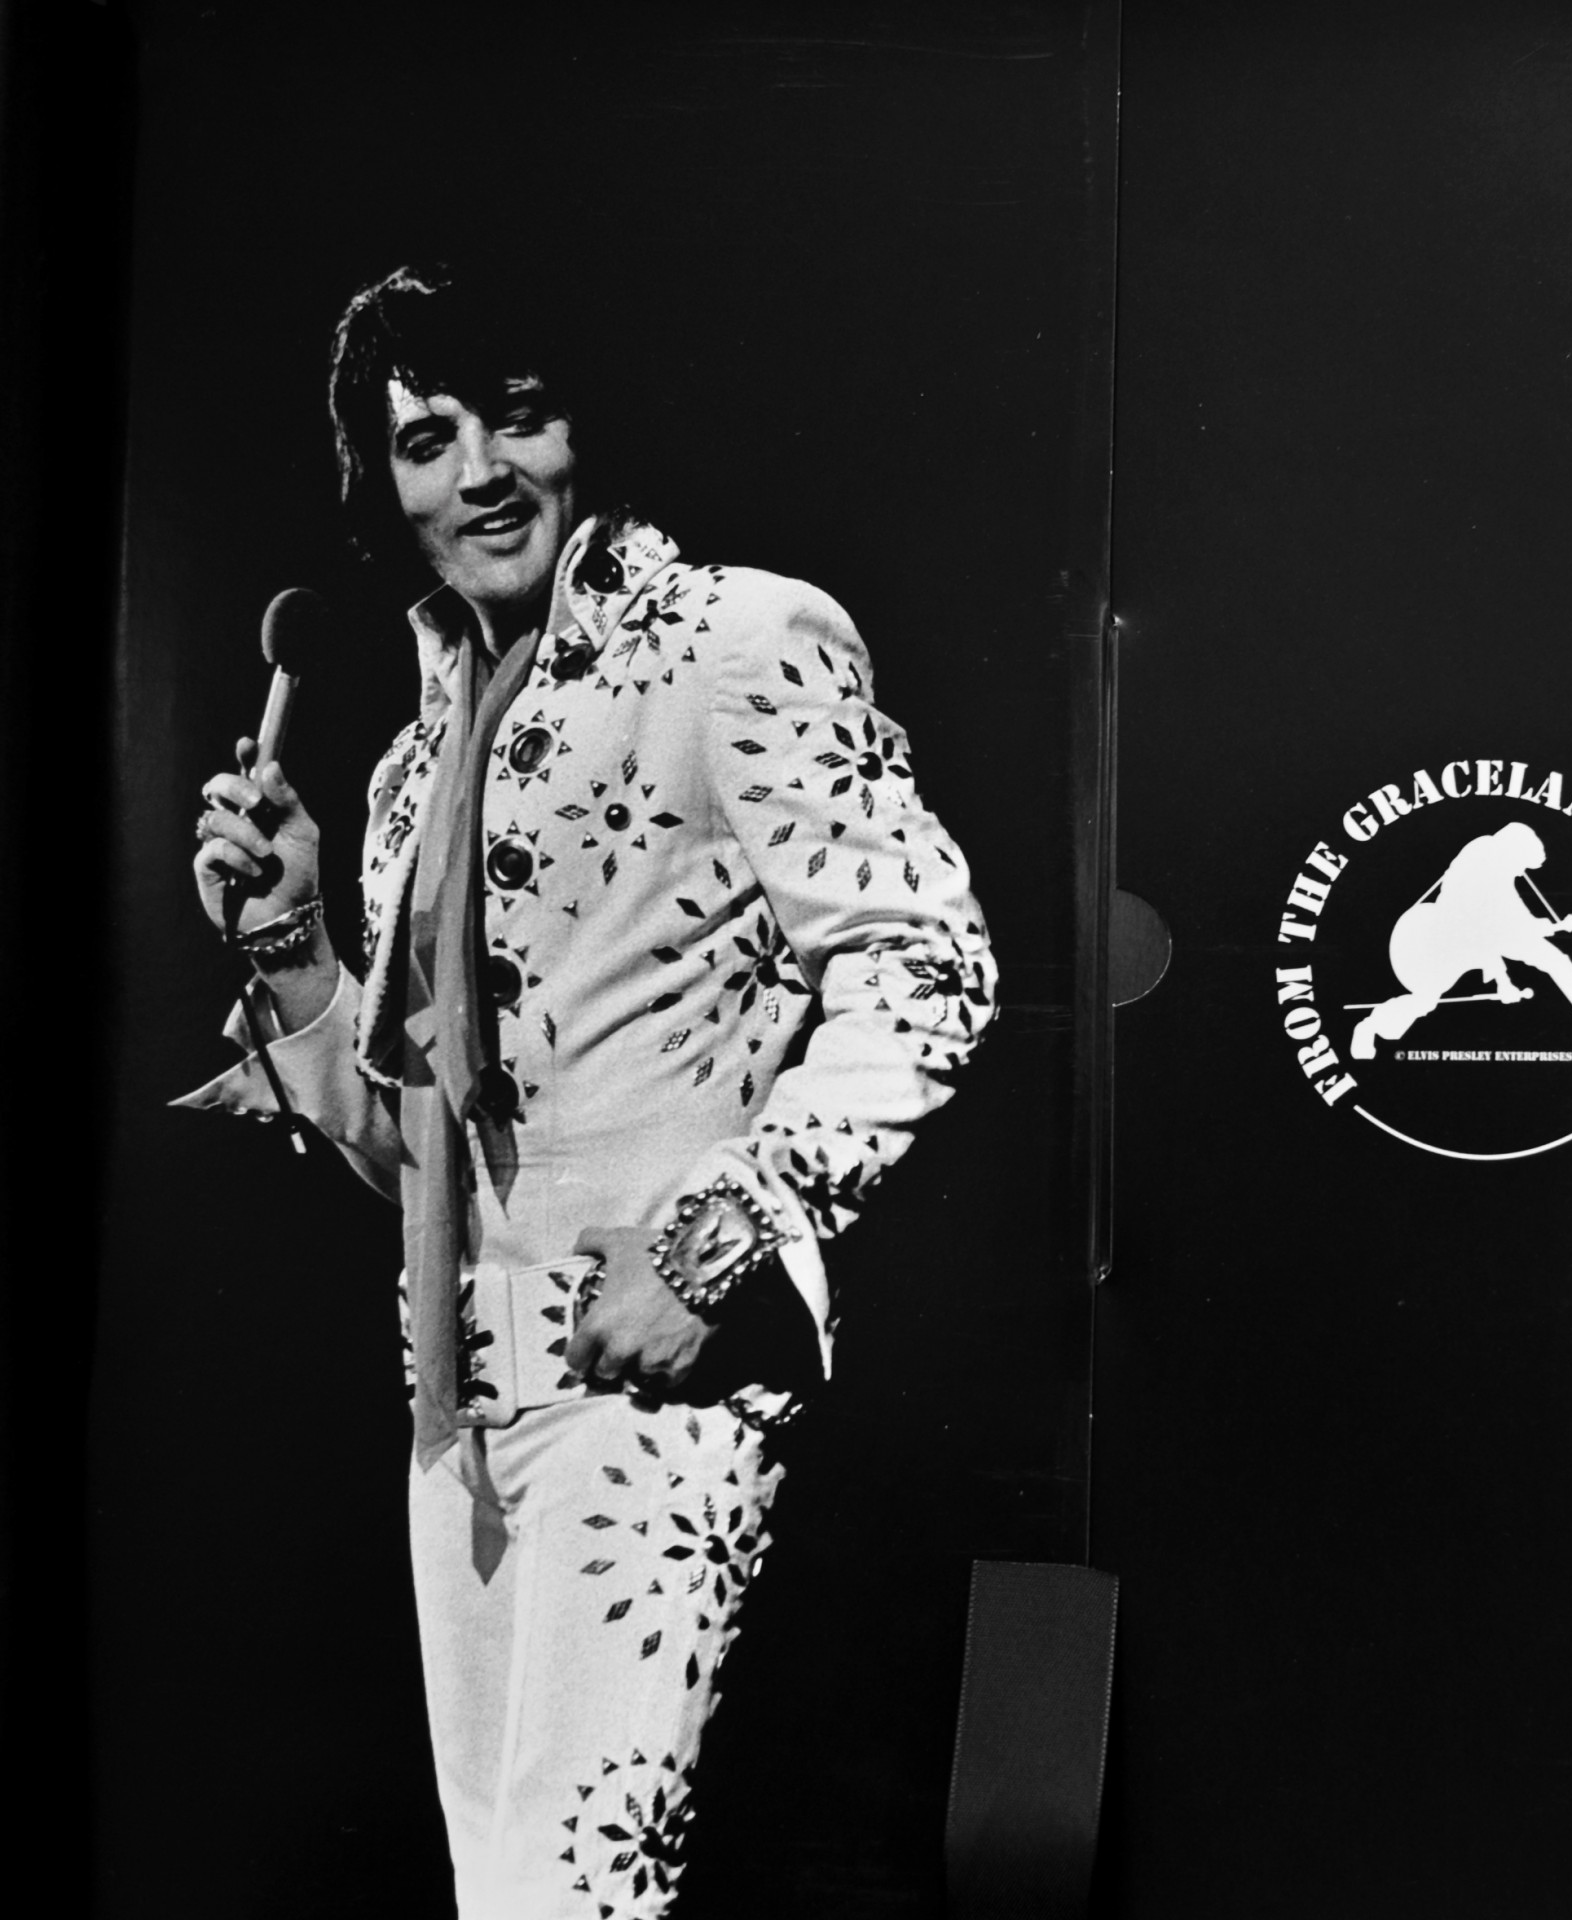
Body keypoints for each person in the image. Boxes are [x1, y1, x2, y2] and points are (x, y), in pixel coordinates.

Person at [177, 263, 995, 1919]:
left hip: (657, 1404)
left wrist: (713, 1247)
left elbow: (931, 968)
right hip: (454, 1422)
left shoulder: (735, 638)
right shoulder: (413, 764)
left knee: (573, 1906)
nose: (480, 471)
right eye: (427, 440)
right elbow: (422, 1158)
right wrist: (289, 944)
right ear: (382, 484)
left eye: (519, 418)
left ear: (584, 430)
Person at [1348, 821, 1572, 1061]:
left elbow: (1515, 924)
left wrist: (1558, 927)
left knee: (1556, 960)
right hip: (1439, 939)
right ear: (1513, 852)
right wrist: (1503, 980)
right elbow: (1483, 928)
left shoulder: (1500, 868)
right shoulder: (1481, 860)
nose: (1521, 874)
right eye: (1522, 866)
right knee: (1426, 1000)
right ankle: (1369, 1027)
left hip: (1479, 935)